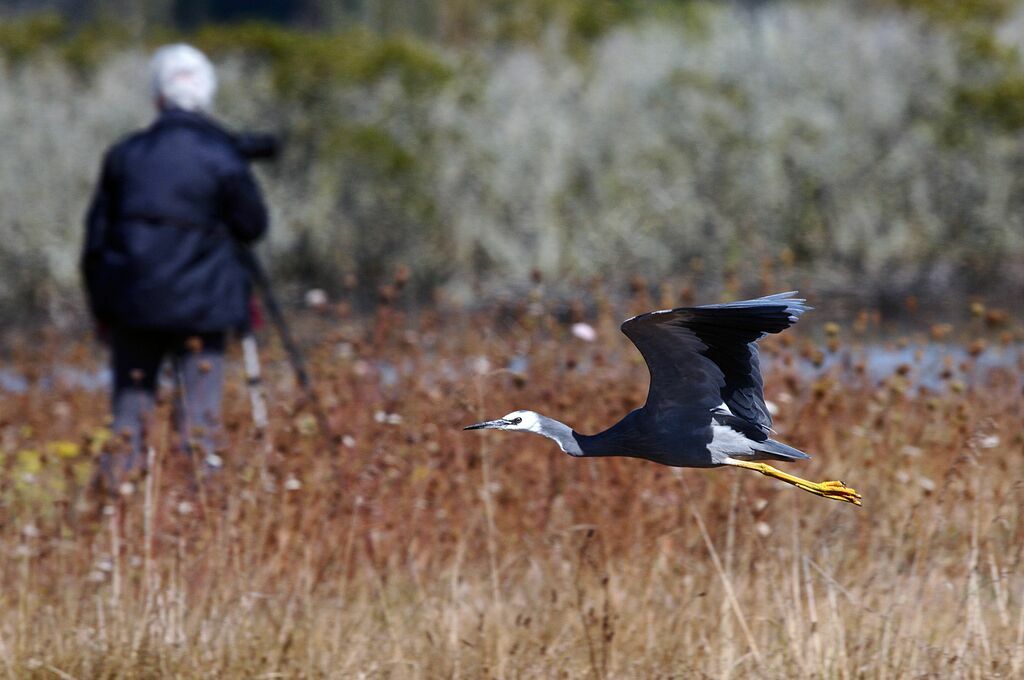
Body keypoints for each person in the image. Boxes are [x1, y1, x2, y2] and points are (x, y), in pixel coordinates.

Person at [81, 44, 268, 489]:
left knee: (128, 419)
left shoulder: (126, 156)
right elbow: (253, 225)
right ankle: (202, 521)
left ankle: (112, 518)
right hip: (205, 313)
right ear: (206, 93)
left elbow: (94, 244)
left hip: (135, 308)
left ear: (157, 97)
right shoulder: (222, 157)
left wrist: (104, 310)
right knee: (200, 426)